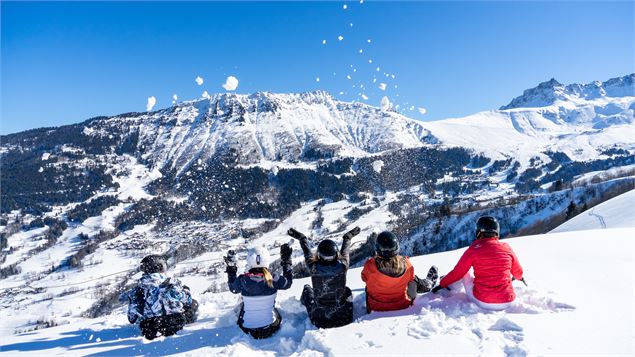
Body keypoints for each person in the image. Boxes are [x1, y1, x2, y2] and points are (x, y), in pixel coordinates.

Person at [432, 216, 524, 311]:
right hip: (508, 301)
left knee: (465, 273)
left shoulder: (474, 249)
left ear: (479, 231)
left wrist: (442, 284)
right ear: (497, 231)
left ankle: (449, 289)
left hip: (483, 302)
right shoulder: (506, 247)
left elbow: (458, 273)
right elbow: (518, 272)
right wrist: (520, 278)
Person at [287, 226, 360, 329]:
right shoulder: (343, 266)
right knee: (346, 290)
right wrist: (347, 238)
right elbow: (345, 252)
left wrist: (302, 238)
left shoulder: (313, 267)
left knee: (307, 289)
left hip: (319, 320)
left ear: (319, 255)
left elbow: (307, 252)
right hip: (344, 318)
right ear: (336, 255)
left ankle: (299, 306)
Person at [119, 255, 199, 340]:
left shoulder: (137, 290)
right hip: (174, 323)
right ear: (159, 267)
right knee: (193, 303)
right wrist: (186, 291)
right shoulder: (171, 283)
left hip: (150, 328)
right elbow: (187, 301)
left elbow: (132, 319)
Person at [225, 244, 293, 339]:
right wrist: (286, 261)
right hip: (270, 328)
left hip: (247, 329)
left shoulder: (242, 280)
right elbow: (288, 283)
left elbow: (233, 288)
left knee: (242, 305)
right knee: (275, 310)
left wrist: (231, 268)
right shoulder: (274, 278)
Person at [361, 231, 438, 312]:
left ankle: (425, 285)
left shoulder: (369, 265)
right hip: (401, 307)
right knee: (413, 280)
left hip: (375, 309)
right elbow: (411, 279)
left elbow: (364, 278)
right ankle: (428, 284)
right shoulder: (407, 264)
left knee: (369, 286)